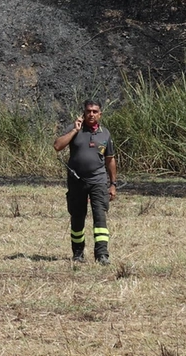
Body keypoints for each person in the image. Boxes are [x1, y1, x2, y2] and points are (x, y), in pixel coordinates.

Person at [53, 100, 117, 264]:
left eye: (95, 111)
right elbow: (57, 146)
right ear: (84, 112)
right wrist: (75, 130)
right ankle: (78, 253)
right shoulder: (75, 129)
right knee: (77, 218)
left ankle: (102, 255)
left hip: (98, 181)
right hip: (76, 182)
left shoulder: (105, 134)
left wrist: (113, 184)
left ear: (100, 114)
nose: (91, 114)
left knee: (100, 217)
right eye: (89, 111)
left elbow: (110, 160)